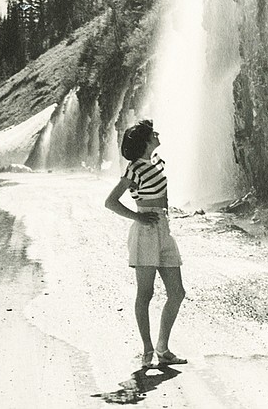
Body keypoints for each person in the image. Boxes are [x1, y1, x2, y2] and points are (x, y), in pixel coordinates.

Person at [104, 119, 188, 368]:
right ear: (144, 142)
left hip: (163, 229)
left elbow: (163, 193)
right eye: (153, 133)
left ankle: (163, 348)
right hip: (145, 232)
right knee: (146, 293)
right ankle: (148, 350)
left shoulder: (157, 163)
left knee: (177, 292)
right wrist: (138, 216)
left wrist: (167, 213)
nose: (158, 134)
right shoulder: (134, 169)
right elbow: (111, 201)